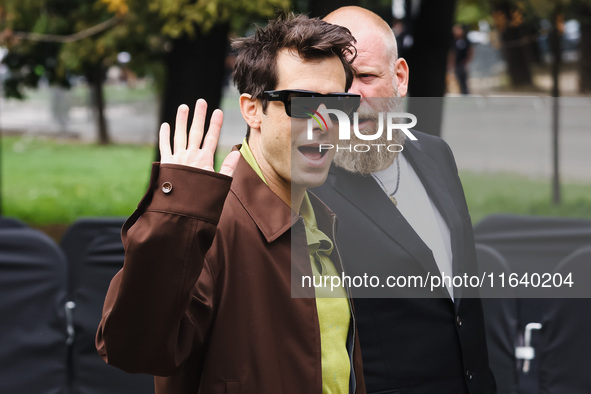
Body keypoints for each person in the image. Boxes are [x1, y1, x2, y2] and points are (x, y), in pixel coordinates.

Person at [96, 14, 366, 394]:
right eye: (303, 102)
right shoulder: (211, 223)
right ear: (252, 109)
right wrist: (178, 217)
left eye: (338, 104)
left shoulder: (321, 221)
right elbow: (132, 350)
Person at [313, 6, 496, 394]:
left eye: (364, 77)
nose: (350, 97)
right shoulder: (305, 185)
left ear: (400, 77)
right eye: (335, 82)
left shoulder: (436, 154)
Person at [450, 24, 474, 95]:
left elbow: (470, 51)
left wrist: (467, 60)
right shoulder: (453, 41)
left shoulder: (466, 40)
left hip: (464, 63)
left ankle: (465, 92)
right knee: (458, 79)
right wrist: (451, 63)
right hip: (457, 63)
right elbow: (452, 53)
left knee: (464, 79)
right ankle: (462, 92)